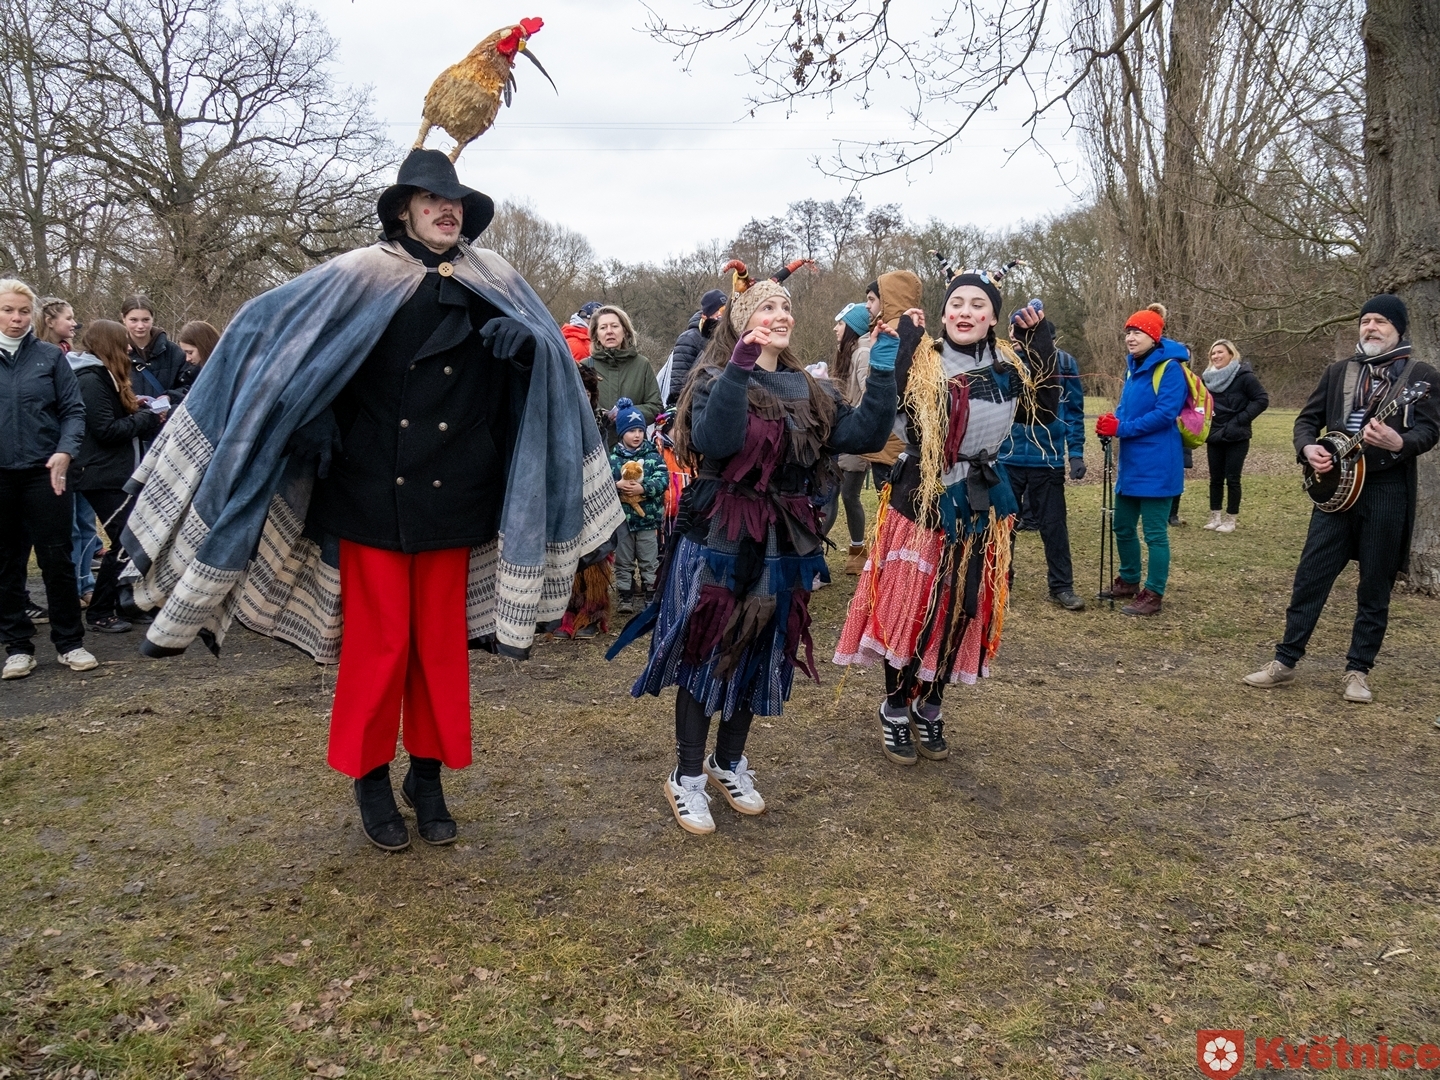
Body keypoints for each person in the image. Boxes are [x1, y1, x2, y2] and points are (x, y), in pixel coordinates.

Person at [121, 149, 622, 849]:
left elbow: (545, 380)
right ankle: (370, 777)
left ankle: (429, 775)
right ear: (404, 210)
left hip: (457, 489)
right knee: (379, 645)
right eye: (431, 199)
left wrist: (529, 351)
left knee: (438, 648)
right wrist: (311, 411)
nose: (446, 211)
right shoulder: (359, 272)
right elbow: (277, 336)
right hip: (368, 489)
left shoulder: (496, 277)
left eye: (454, 202)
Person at [609, 261, 896, 836]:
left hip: (783, 542)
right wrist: (741, 366)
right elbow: (716, 440)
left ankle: (728, 761)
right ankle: (687, 775)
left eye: (785, 308)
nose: (781, 315)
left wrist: (885, 371)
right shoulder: (715, 377)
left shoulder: (809, 388)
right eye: (767, 307)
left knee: (760, 647)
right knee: (707, 648)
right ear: (742, 321)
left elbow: (863, 434)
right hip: (719, 538)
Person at [835, 264, 1040, 765]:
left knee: (960, 606)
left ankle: (930, 703)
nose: (965, 312)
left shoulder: (1009, 366)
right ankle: (895, 706)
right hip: (921, 499)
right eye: (956, 304)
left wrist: (1041, 342)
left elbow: (1046, 411)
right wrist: (905, 344)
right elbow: (893, 407)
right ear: (943, 313)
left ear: (993, 317)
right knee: (912, 606)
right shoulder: (925, 359)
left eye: (977, 305)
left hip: (982, 503)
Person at [1244, 295, 1439, 704]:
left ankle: (1358, 671)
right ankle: (1284, 661)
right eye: (1365, 321)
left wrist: (1400, 441)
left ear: (1399, 328)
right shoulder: (1338, 371)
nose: (1370, 327)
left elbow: (1430, 431)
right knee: (1311, 576)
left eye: (1380, 321)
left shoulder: (1420, 376)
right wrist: (1306, 448)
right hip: (1333, 490)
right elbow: (1307, 420)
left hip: (1386, 490)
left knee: (1375, 585)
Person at [0, 280, 96, 680]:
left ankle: (70, 642)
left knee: (57, 557)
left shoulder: (49, 357)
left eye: (24, 311)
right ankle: (18, 647)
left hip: (47, 473)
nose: (17, 318)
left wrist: (65, 450)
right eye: (8, 310)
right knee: (7, 562)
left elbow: (74, 411)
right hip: (2, 476)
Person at [69, 320, 167, 634]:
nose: (128, 348)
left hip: (116, 472)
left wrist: (136, 409)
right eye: (123, 342)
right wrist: (145, 418)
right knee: (125, 541)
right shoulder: (91, 379)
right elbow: (106, 430)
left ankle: (128, 604)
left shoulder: (105, 377)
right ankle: (100, 611)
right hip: (100, 475)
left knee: (133, 539)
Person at [1093, 303, 1188, 617]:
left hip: (1159, 462)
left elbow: (1165, 414)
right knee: (1122, 525)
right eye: (1129, 332)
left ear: (1154, 336)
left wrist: (1122, 428)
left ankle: (1154, 593)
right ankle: (1129, 580)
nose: (1131, 338)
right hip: (1132, 462)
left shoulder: (1170, 368)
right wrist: (1112, 421)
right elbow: (1126, 408)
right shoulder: (1133, 367)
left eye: (1138, 332)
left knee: (1154, 533)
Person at [998, 303, 1087, 610]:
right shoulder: (1004, 362)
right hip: (1006, 458)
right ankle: (1000, 583)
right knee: (1002, 527)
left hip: (1047, 459)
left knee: (1054, 527)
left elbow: (1074, 411)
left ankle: (1062, 586)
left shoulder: (1064, 363)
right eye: (1015, 331)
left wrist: (1076, 453)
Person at [34, 297, 99, 610]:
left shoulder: (73, 357)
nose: (74, 323)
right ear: (50, 321)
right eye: (68, 318)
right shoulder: (39, 359)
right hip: (52, 456)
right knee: (67, 526)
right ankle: (69, 586)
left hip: (80, 453)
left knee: (86, 523)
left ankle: (86, 582)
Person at [827, 302, 876, 575]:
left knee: (847, 494)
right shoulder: (851, 352)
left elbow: (870, 397)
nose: (836, 329)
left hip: (855, 436)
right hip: (842, 433)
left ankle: (857, 553)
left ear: (852, 328)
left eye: (840, 324)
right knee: (834, 494)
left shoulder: (863, 354)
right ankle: (816, 555)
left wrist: (852, 420)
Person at [1200, 339, 1268, 532]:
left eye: (1220, 352)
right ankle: (1215, 517)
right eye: (1213, 353)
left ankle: (1230, 520)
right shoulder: (1206, 379)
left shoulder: (1244, 376)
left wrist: (1240, 419)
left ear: (1231, 354)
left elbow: (1261, 399)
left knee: (1232, 479)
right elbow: (1201, 403)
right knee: (1215, 478)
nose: (1216, 356)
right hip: (1214, 434)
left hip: (1237, 435)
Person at [610, 398, 668, 614]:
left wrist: (643, 489)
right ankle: (625, 596)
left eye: (640, 430)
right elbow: (604, 483)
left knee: (649, 560)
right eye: (631, 431)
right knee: (623, 561)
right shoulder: (613, 458)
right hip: (622, 522)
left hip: (647, 521)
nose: (636, 435)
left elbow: (663, 480)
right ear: (621, 433)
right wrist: (617, 485)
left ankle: (651, 595)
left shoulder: (653, 456)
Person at [584, 305, 662, 448]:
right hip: (596, 449)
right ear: (596, 335)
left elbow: (656, 407)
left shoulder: (641, 364)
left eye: (614, 326)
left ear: (625, 331)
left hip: (634, 451)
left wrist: (628, 414)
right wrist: (600, 416)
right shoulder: (585, 368)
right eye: (603, 327)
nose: (609, 331)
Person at [662, 289, 727, 409]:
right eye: (718, 311)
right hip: (693, 405)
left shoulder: (728, 338)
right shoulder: (688, 338)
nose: (721, 315)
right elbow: (678, 381)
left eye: (725, 311)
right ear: (705, 315)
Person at [121, 295, 192, 405]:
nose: (140, 326)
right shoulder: (116, 353)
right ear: (123, 319)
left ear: (152, 319)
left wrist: (170, 397)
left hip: (167, 414)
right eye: (133, 320)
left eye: (145, 320)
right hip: (130, 415)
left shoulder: (174, 352)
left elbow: (189, 386)